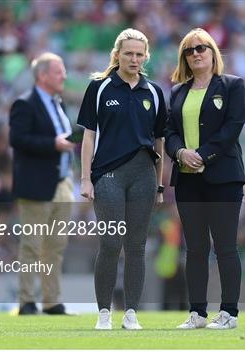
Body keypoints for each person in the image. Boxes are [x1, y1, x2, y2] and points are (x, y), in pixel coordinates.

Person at [77, 28, 167, 330]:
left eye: (139, 54)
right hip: (108, 176)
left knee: (136, 246)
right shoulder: (100, 87)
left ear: (146, 57)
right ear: (117, 55)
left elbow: (159, 143)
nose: (134, 58)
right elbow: (88, 137)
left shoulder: (153, 92)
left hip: (143, 175)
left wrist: (158, 185)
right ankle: (104, 312)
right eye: (128, 53)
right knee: (111, 243)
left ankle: (131, 313)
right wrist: (86, 178)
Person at [165, 28, 245, 329]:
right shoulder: (177, 92)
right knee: (195, 248)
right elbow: (170, 132)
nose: (196, 53)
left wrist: (201, 154)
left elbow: (233, 127)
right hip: (188, 180)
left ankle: (229, 313)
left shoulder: (232, 86)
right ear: (184, 58)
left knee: (225, 246)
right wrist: (180, 153)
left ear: (213, 52)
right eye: (189, 50)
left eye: (201, 47)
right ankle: (197, 312)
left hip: (223, 177)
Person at [9, 52, 76, 315]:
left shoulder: (57, 103)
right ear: (42, 75)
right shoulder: (25, 104)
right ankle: (26, 301)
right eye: (59, 71)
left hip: (62, 183)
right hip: (37, 185)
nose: (64, 76)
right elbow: (18, 139)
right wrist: (53, 144)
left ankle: (51, 300)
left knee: (56, 246)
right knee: (32, 246)